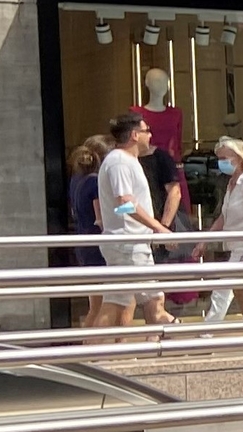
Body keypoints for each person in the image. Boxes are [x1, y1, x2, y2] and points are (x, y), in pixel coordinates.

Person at [94, 111, 172, 327]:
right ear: (135, 135)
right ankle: (176, 339)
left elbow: (120, 207)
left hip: (126, 241)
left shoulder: (122, 160)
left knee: (115, 303)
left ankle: (94, 351)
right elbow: (124, 203)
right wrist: (158, 227)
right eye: (147, 131)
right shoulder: (120, 162)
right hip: (129, 243)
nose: (150, 136)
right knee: (154, 301)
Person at [198, 137, 243, 324]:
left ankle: (207, 332)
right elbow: (223, 218)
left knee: (224, 291)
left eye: (225, 158)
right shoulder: (231, 183)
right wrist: (204, 241)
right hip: (235, 245)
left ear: (239, 157)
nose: (221, 162)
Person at [65, 134, 108, 324]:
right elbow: (101, 218)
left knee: (95, 305)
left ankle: (89, 344)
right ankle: (90, 344)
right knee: (100, 306)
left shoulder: (77, 180)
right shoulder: (94, 183)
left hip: (83, 242)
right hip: (96, 246)